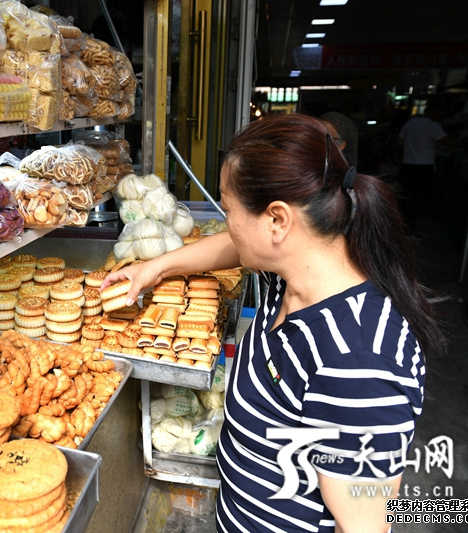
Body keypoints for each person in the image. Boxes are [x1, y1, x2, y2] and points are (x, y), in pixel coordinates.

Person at [102, 113, 444, 532]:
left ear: (278, 221)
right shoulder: (288, 274)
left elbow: (365, 522)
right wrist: (153, 269)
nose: (226, 223)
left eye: (228, 209)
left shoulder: (356, 360)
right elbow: (233, 243)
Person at [397, 104, 468, 232]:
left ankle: (404, 226)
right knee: (419, 199)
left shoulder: (411, 123)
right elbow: (450, 143)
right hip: (424, 168)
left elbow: (399, 142)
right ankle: (411, 228)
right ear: (433, 112)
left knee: (407, 198)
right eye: (440, 112)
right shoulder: (432, 126)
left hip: (408, 166)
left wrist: (411, 150)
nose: (441, 115)